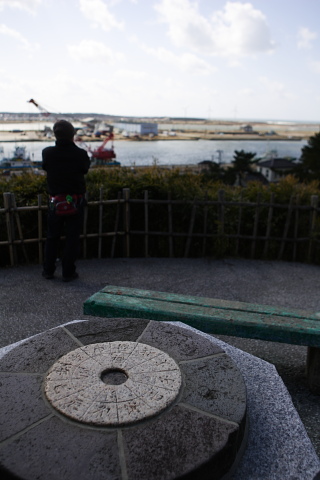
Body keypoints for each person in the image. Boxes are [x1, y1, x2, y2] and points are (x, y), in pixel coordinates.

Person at [42, 120, 90, 281]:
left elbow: (46, 167)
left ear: (55, 134)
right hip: (75, 200)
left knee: (52, 237)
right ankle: (68, 272)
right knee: (72, 238)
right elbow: (85, 169)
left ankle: (48, 270)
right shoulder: (81, 154)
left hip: (55, 201)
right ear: (73, 135)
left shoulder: (47, 153)